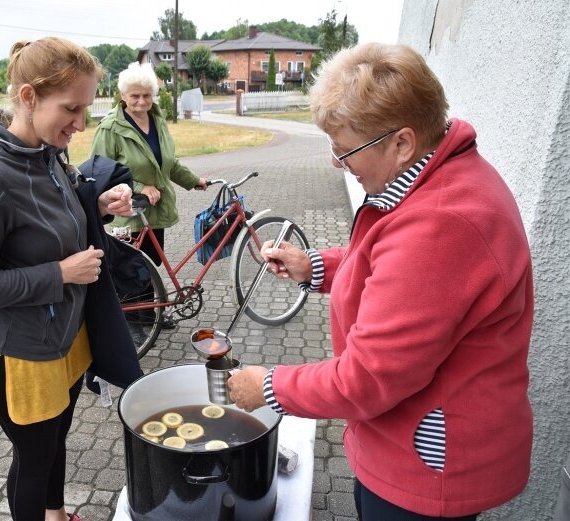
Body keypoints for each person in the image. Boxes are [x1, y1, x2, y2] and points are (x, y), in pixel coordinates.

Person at [228, 42, 534, 521]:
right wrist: (318, 266)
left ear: (402, 143)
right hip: (406, 445)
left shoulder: (443, 222)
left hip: (424, 470)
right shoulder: (438, 178)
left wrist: (269, 388)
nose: (336, 163)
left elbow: (367, 377)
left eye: (345, 149)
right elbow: (394, 265)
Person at [0, 37, 138, 521]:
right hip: (19, 355)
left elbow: (44, 224)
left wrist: (96, 207)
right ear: (28, 97)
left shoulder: (47, 153)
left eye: (86, 109)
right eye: (70, 108)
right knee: (33, 460)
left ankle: (55, 515)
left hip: (64, 339)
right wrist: (59, 274)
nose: (80, 124)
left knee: (54, 443)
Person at [90, 61, 208, 330]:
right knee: (131, 268)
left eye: (146, 95)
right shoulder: (110, 128)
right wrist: (140, 186)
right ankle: (134, 323)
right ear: (122, 96)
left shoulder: (157, 120)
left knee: (150, 265)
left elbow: (168, 162)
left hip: (154, 210)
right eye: (135, 96)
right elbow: (99, 171)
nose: (141, 101)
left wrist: (193, 181)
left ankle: (150, 315)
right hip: (127, 210)